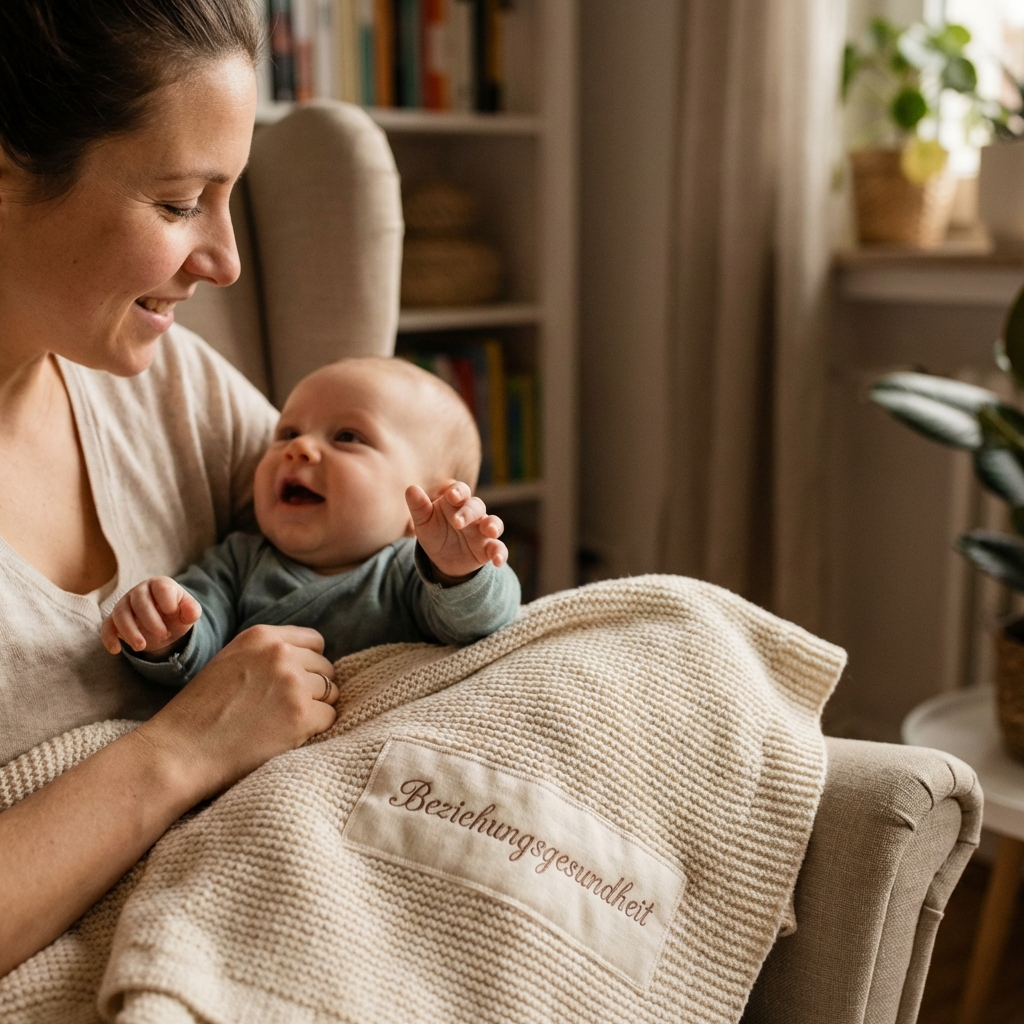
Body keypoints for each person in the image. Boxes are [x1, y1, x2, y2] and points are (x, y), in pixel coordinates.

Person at [0, 0, 348, 977]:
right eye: (180, 202)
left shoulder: (170, 391)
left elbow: (374, 564)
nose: (227, 261)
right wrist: (183, 749)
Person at [100, 358, 520, 677]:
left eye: (347, 437)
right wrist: (167, 633)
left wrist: (458, 571)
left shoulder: (409, 573)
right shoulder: (239, 563)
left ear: (429, 501)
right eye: (288, 433)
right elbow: (199, 638)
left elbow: (481, 625)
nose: (298, 448)